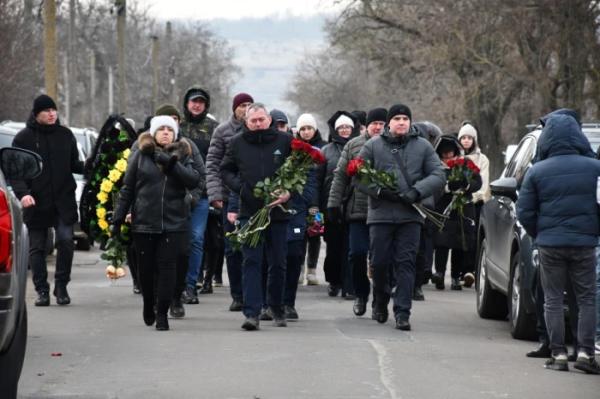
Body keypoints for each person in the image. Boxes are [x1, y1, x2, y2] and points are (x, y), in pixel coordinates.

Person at [517, 109, 600, 374]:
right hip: (585, 243)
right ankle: (586, 352)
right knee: (587, 298)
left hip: (550, 244)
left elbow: (524, 211)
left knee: (552, 299)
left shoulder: (537, 171)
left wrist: (539, 233)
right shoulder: (595, 168)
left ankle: (558, 353)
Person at [357, 104, 445, 330]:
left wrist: (417, 191)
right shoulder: (373, 145)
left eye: (405, 118)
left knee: (406, 263)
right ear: (389, 123)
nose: (402, 122)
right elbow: (356, 173)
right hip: (381, 215)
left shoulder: (423, 146)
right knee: (379, 263)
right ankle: (380, 300)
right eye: (397, 118)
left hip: (410, 215)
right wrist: (379, 191)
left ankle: (402, 312)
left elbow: (438, 174)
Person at [113, 116, 200, 331]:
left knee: (168, 267)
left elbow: (193, 180)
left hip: (174, 223)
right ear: (153, 133)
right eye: (160, 129)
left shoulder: (184, 154)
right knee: (146, 269)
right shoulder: (140, 156)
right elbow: (128, 189)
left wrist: (169, 162)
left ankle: (162, 313)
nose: (165, 133)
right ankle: (148, 303)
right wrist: (117, 219)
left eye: (169, 129)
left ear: (175, 133)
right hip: (144, 222)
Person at [220, 103, 292, 330]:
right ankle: (252, 313)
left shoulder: (285, 141)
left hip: (278, 211)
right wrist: (241, 188)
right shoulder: (236, 143)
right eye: (253, 121)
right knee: (251, 260)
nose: (258, 124)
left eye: (261, 119)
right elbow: (225, 169)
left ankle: (277, 307)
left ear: (269, 120)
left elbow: (300, 170)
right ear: (246, 123)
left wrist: (288, 191)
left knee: (278, 262)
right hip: (249, 212)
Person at [12, 94, 84, 306]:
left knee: (65, 241)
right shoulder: (23, 138)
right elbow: (16, 172)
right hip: (36, 200)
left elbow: (74, 164)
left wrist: (92, 165)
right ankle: (42, 290)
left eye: (54, 110)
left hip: (63, 199)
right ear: (36, 114)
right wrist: (23, 193)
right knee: (37, 247)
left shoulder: (65, 135)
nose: (52, 114)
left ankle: (61, 286)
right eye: (46, 111)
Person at [328, 107, 387, 316]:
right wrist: (333, 204)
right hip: (358, 211)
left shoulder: (392, 145)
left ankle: (379, 299)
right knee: (357, 254)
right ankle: (361, 293)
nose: (378, 127)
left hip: (384, 212)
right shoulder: (353, 145)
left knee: (380, 260)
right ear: (366, 126)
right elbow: (340, 177)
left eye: (382, 123)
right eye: (374, 123)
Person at [206, 92, 254, 311]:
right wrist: (215, 194)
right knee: (232, 248)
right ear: (235, 108)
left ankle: (253, 292)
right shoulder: (222, 131)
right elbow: (213, 164)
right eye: (242, 105)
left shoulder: (256, 127)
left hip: (254, 197)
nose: (245, 109)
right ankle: (237, 294)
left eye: (249, 105)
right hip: (228, 198)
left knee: (252, 247)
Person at [178, 88, 218, 307]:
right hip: (177, 193)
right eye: (194, 102)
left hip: (202, 194)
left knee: (196, 238)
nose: (197, 106)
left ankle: (191, 285)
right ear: (187, 104)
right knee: (175, 239)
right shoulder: (177, 128)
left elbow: (218, 160)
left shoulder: (214, 129)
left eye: (201, 102)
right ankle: (175, 283)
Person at [431, 135, 481, 291]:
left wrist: (466, 185)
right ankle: (439, 273)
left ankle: (455, 277)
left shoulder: (466, 163)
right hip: (443, 208)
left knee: (460, 243)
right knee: (442, 242)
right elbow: (431, 184)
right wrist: (447, 187)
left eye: (450, 152)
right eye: (444, 153)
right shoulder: (435, 166)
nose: (447, 156)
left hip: (463, 208)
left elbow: (478, 182)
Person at [320, 111, 360, 298]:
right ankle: (334, 280)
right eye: (341, 127)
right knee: (334, 247)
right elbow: (319, 180)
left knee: (351, 247)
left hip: (353, 204)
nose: (344, 130)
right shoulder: (326, 151)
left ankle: (349, 284)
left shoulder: (362, 147)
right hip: (331, 205)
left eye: (348, 127)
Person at [412, 121, 444, 298]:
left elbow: (438, 180)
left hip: (424, 207)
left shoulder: (429, 156)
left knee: (420, 248)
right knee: (416, 248)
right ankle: (414, 284)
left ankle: (416, 283)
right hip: (419, 206)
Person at [457, 122, 490, 287]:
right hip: (456, 201)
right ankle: (458, 272)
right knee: (456, 237)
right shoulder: (456, 158)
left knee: (472, 238)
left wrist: (472, 196)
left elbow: (483, 184)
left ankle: (469, 270)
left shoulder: (482, 159)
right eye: (463, 137)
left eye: (470, 137)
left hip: (474, 202)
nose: (466, 140)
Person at [295, 113, 326, 285]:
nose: (306, 132)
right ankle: (299, 269)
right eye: (303, 129)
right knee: (299, 235)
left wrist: (317, 204)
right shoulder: (295, 148)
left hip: (318, 202)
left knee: (315, 234)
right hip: (300, 200)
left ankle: (312, 270)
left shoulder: (323, 148)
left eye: (309, 128)